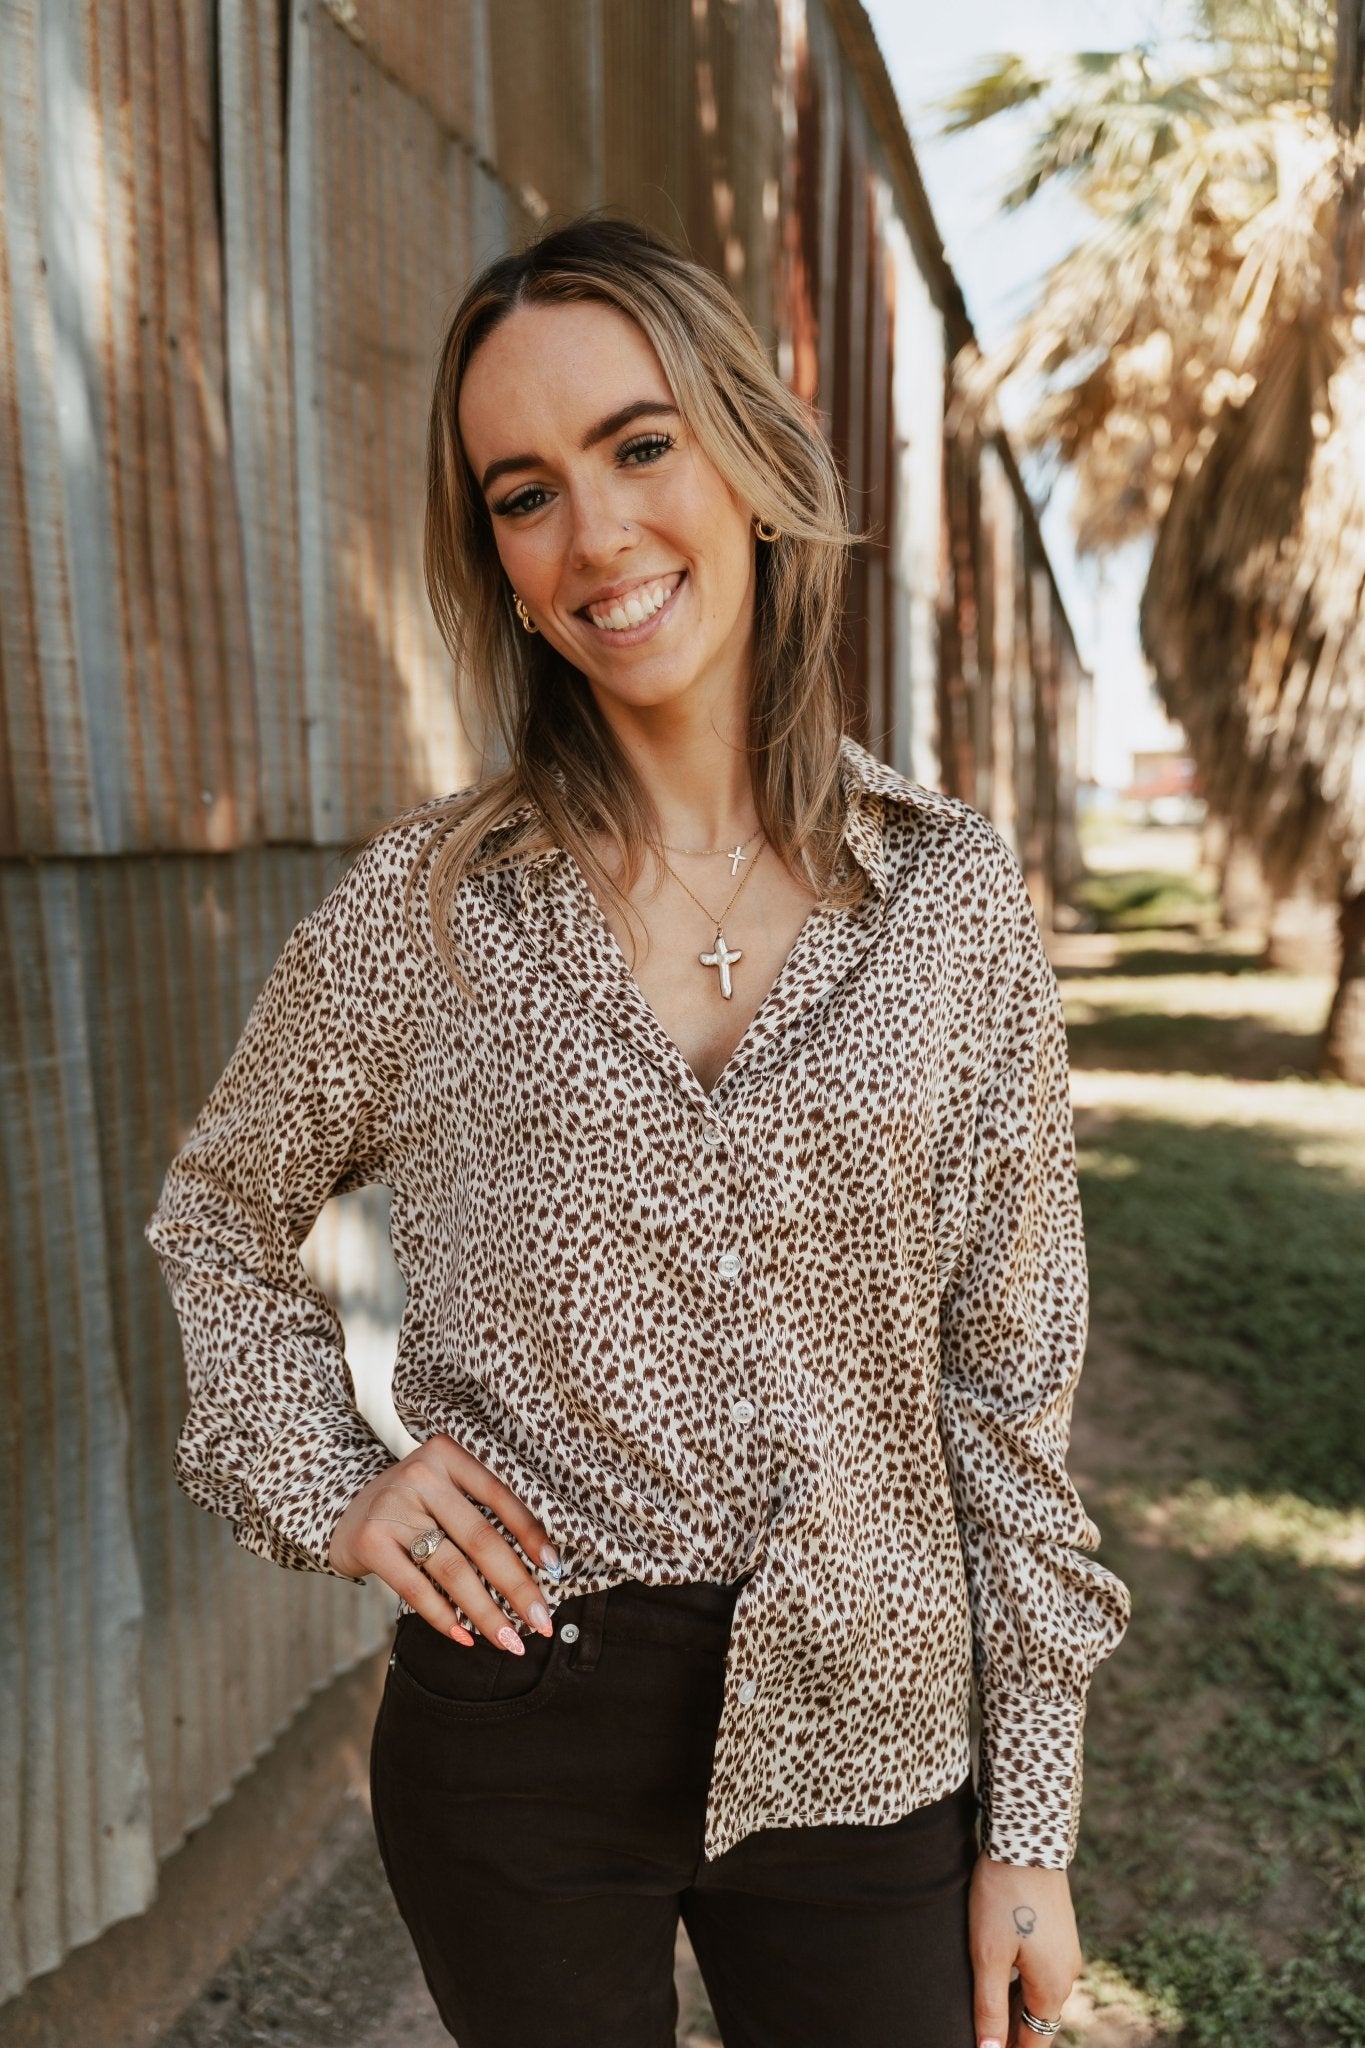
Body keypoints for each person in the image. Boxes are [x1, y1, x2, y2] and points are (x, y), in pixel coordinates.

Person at [145, 212, 1131, 2048]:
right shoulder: (421, 915)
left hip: (870, 1719)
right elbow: (217, 1220)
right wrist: (336, 1484)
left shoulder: (950, 900)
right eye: (523, 493)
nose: (594, 536)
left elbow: (1008, 1384)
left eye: (639, 445)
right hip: (521, 1735)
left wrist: (1032, 1828)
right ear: (498, 561)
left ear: (750, 461)